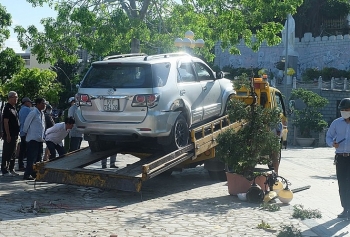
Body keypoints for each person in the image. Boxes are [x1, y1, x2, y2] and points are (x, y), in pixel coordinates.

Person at [326, 97, 350, 219]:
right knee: (342, 183)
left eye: (347, 109)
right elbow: (329, 137)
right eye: (343, 109)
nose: (344, 111)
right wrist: (332, 144)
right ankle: (345, 209)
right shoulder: (336, 123)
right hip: (341, 157)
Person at [22, 98, 46, 180]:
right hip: (33, 138)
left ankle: (34, 173)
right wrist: (25, 133)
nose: (44, 105)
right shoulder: (33, 113)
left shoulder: (42, 113)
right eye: (43, 103)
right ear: (38, 104)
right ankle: (27, 174)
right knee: (31, 157)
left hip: (40, 139)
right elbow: (26, 124)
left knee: (39, 158)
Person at [1, 91, 20, 176]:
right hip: (10, 134)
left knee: (13, 152)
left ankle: (11, 168)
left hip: (15, 134)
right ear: (9, 98)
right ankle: (4, 170)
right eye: (14, 97)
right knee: (7, 152)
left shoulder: (14, 108)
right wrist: (7, 134)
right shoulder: (7, 108)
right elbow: (5, 122)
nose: (16, 99)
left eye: (16, 97)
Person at [17, 97, 33, 171]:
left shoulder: (21, 109)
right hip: (27, 132)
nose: (30, 104)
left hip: (22, 132)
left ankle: (21, 164)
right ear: (26, 102)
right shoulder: (27, 110)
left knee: (22, 150)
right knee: (29, 150)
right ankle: (28, 166)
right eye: (30, 102)